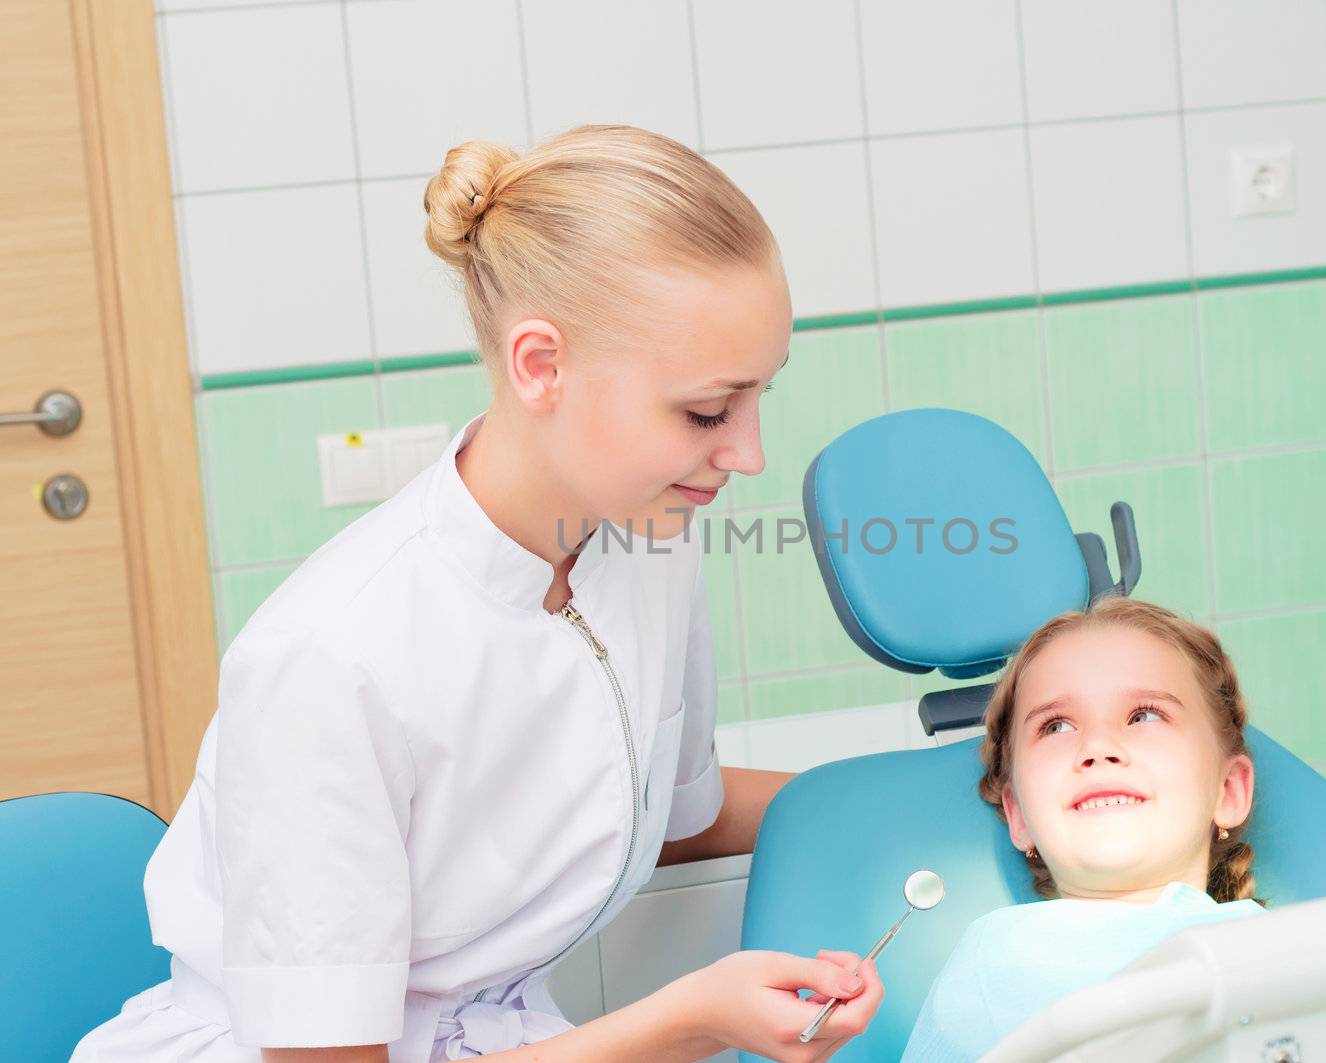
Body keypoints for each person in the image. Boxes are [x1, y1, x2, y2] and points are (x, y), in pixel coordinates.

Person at [72, 125, 882, 1063]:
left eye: (758, 399)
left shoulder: (648, 540)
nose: (748, 454)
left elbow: (669, 820)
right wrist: (692, 1018)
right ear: (540, 364)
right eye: (706, 411)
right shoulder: (331, 656)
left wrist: (969, 785)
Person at [900, 597, 1263, 1062]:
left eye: (1145, 715)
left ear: (1227, 791)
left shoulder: (1284, 950)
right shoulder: (995, 964)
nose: (1097, 746)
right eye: (1056, 726)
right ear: (1019, 817)